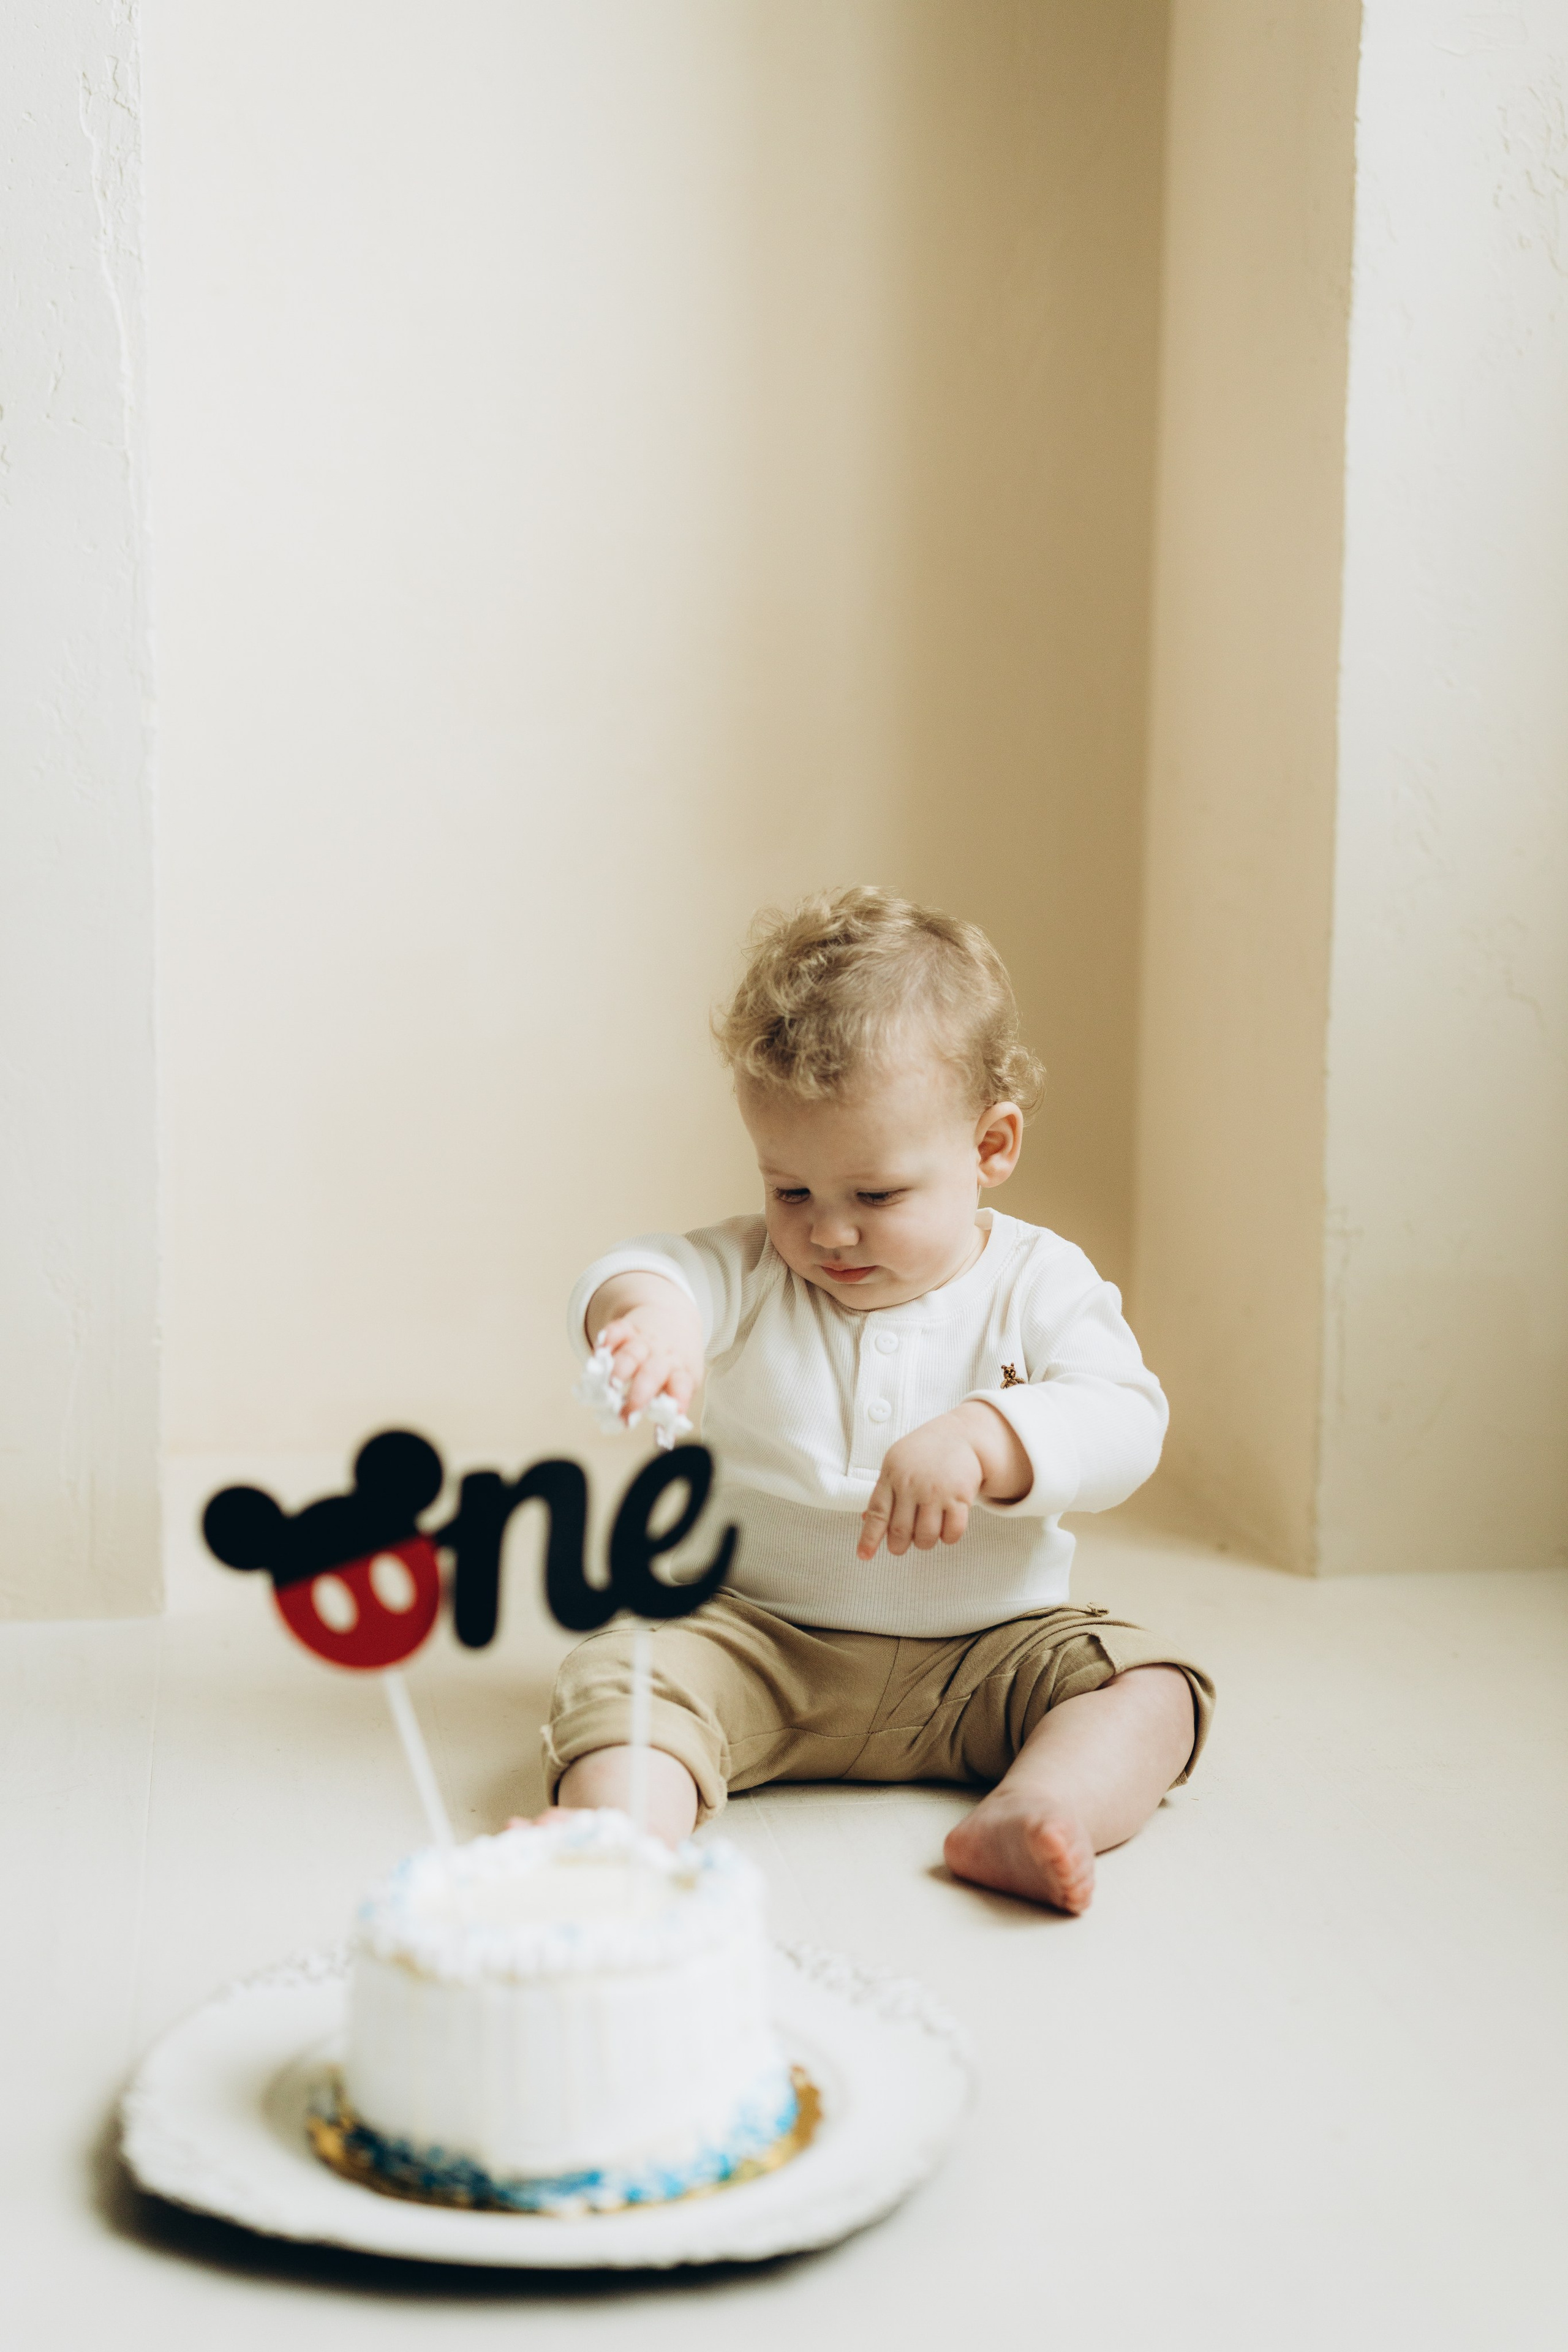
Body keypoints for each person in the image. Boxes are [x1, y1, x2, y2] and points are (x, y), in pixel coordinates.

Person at [544, 887, 1213, 1912]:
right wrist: (654, 1322)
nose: (828, 1234)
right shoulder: (754, 1269)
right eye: (791, 1189)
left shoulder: (1038, 1279)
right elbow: (646, 1270)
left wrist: (994, 1436)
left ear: (991, 1148)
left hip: (989, 1650)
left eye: (877, 1196)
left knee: (1154, 1689)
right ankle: (616, 1839)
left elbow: (1126, 1415)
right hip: (756, 1640)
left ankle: (1039, 1810)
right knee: (624, 1677)